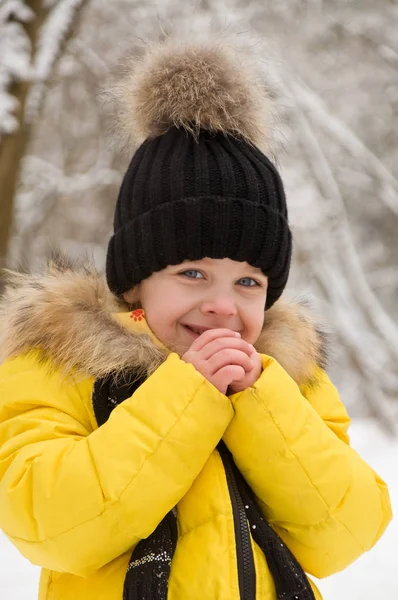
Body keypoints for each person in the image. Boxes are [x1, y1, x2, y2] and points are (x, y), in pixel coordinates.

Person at [0, 35, 392, 600]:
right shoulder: (63, 362)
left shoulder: (289, 383)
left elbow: (346, 534)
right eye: (192, 274)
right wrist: (186, 398)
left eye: (248, 282)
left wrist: (261, 403)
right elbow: (51, 526)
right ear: (136, 278)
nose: (223, 306)